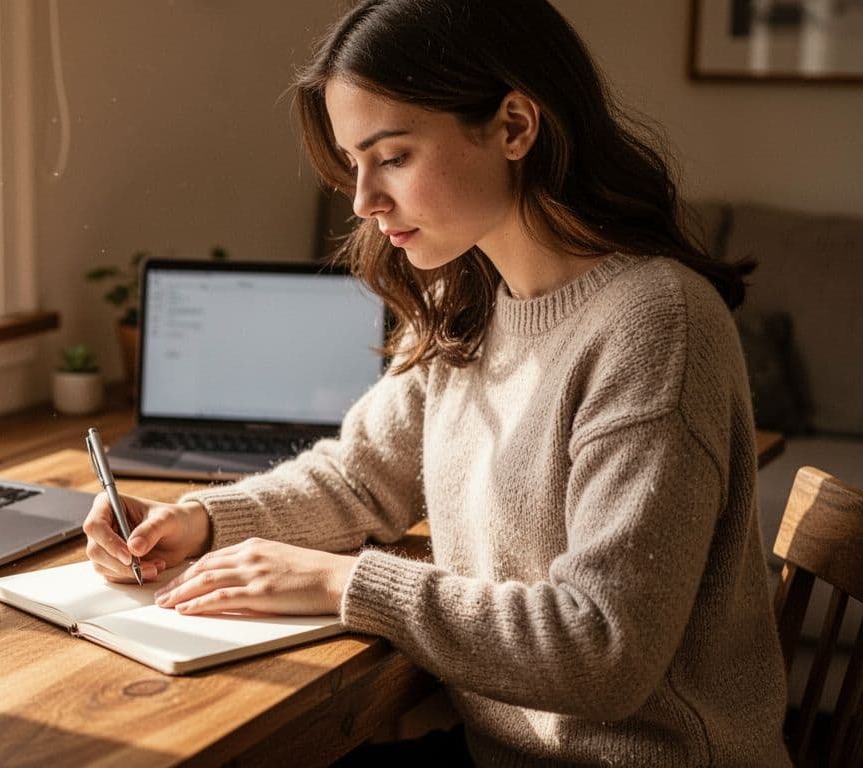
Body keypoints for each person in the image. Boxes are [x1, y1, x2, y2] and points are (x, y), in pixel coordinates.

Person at [81, 0, 790, 764]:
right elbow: (359, 479)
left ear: (516, 127)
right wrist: (198, 521)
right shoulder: (467, 297)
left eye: (392, 157)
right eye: (354, 164)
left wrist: (343, 582)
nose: (362, 201)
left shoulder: (655, 325)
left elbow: (600, 647)